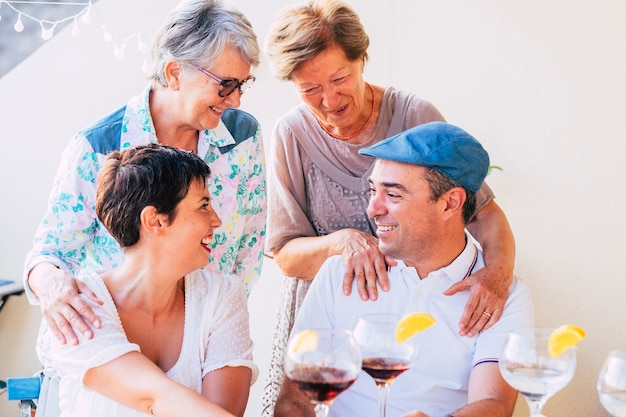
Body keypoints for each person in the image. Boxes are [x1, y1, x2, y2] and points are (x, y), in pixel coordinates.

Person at [261, 0, 515, 413]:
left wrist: (499, 276)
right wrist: (342, 243)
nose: (327, 100)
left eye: (339, 78)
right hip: (333, 309)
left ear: (363, 59)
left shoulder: (414, 114)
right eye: (309, 89)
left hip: (413, 302)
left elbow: (481, 211)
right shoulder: (291, 134)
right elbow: (286, 254)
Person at [23, 0, 265, 349]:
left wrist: (213, 332)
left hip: (200, 345)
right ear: (174, 73)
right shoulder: (99, 146)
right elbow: (50, 252)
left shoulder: (243, 138)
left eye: (243, 84)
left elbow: (248, 252)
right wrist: (50, 284)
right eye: (225, 84)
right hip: (108, 344)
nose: (236, 100)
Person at [274, 121, 534, 417]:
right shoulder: (340, 273)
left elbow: (495, 406)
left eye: (393, 195)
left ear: (450, 203)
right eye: (373, 190)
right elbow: (294, 401)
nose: (373, 208)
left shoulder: (501, 295)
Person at [48, 143, 256, 417]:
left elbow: (221, 411)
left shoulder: (222, 296)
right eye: (204, 205)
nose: (216, 220)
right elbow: (154, 396)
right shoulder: (78, 306)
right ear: (155, 221)